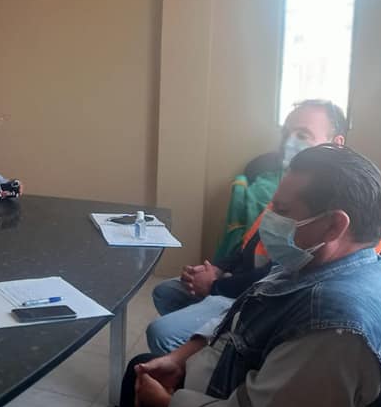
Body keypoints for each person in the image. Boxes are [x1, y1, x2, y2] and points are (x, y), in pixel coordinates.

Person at [14, 145, 381, 407]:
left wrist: (169, 405)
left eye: (282, 209)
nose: (270, 217)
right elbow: (241, 316)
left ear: (333, 226)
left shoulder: (336, 332)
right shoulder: (323, 263)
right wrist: (180, 358)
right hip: (231, 397)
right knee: (139, 371)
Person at [146, 99, 348, 353]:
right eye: (286, 133)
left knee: (163, 334)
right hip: (241, 280)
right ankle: (206, 351)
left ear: (336, 144)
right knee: (166, 292)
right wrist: (218, 268)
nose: (289, 142)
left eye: (302, 135)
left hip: (260, 297)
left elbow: (279, 277)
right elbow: (251, 244)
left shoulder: (329, 208)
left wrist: (215, 286)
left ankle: (202, 362)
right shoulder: (288, 185)